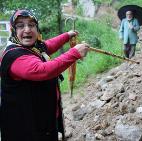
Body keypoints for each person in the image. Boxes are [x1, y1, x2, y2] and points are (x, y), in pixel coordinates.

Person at [0, 9, 89, 141]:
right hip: (25, 126)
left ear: (37, 27)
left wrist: (67, 35)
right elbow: (43, 71)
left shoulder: (33, 46)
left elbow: (47, 45)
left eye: (31, 25)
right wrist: (74, 53)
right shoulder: (14, 56)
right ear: (13, 29)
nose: (27, 29)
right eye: (20, 25)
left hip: (40, 116)